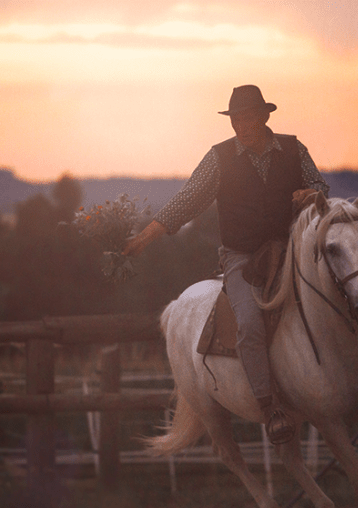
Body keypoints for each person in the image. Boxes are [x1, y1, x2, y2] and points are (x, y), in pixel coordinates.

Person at [124, 85, 330, 444]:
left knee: (335, 296)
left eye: (247, 116)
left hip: (291, 250)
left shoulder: (294, 149)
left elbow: (320, 188)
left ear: (264, 116)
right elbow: (187, 200)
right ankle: (271, 410)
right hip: (242, 256)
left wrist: (312, 195)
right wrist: (145, 237)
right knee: (249, 324)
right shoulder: (220, 158)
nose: (240, 125)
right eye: (235, 118)